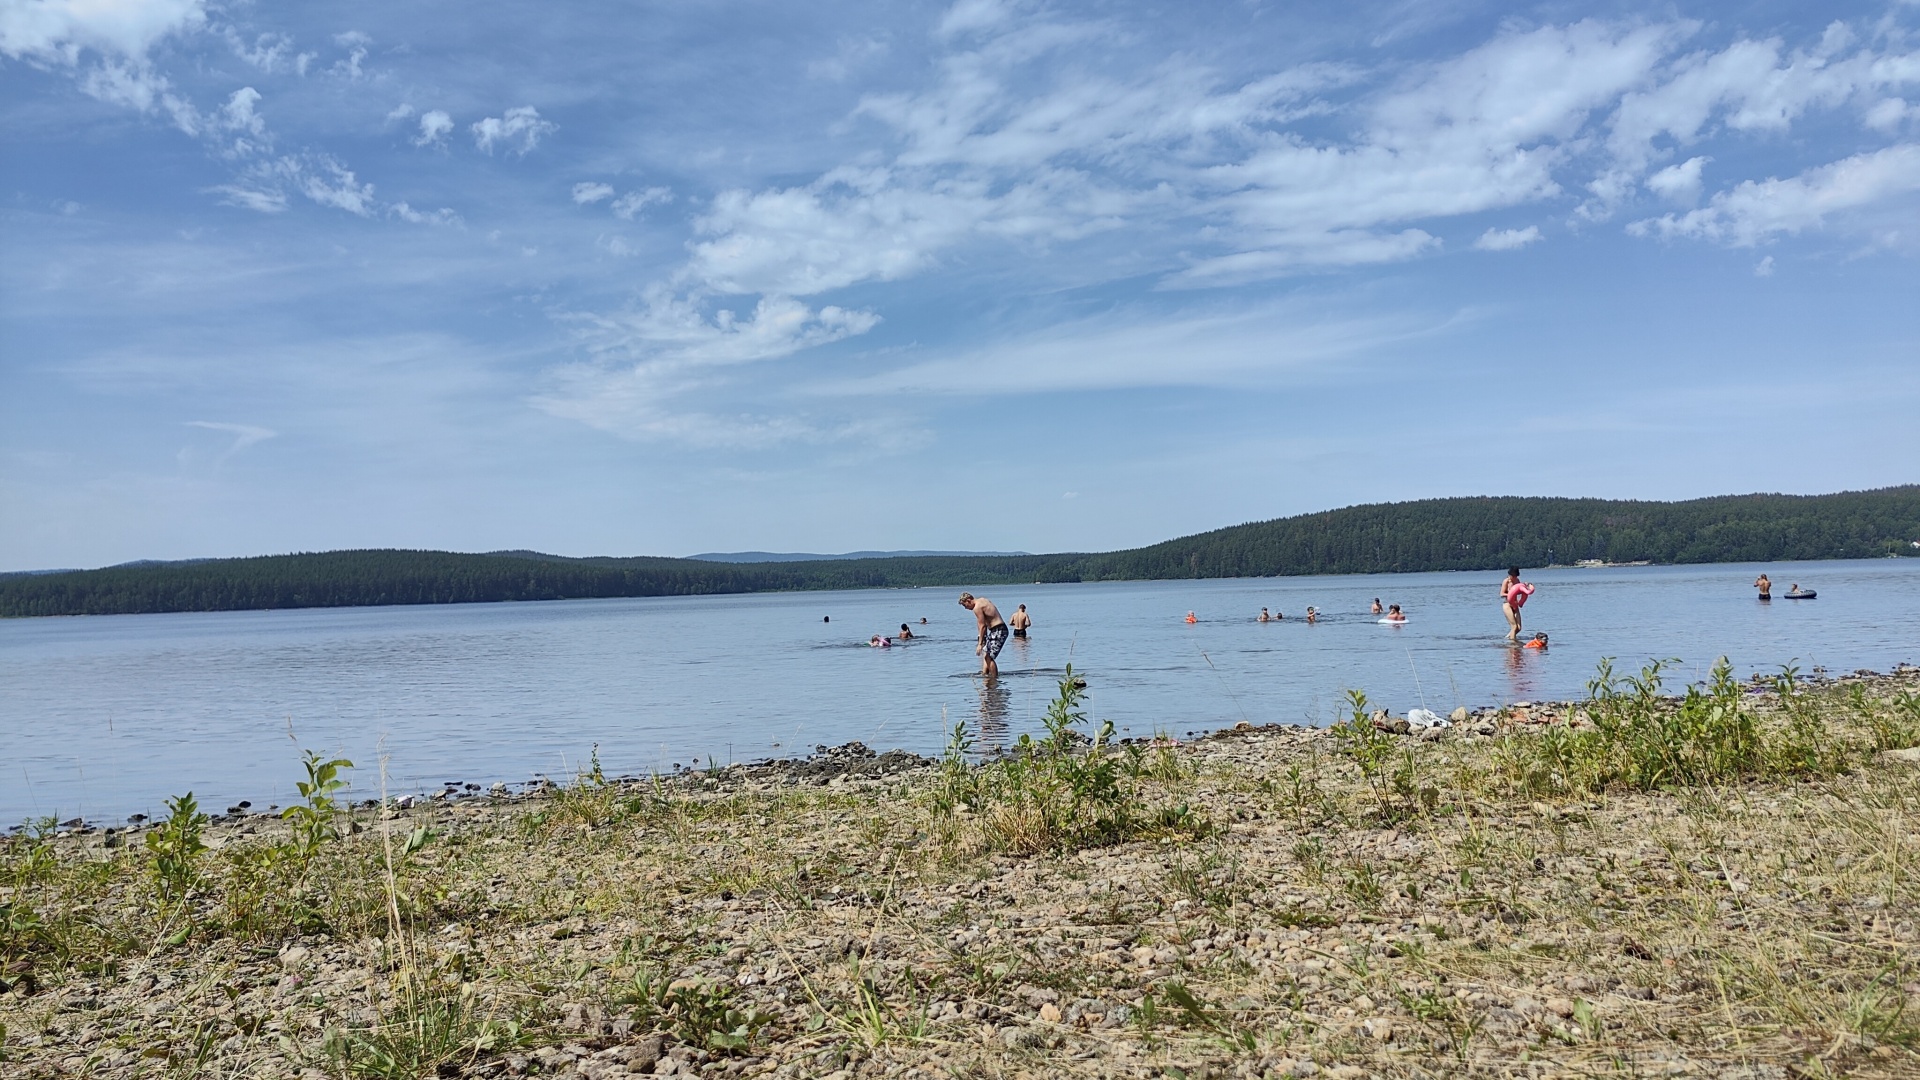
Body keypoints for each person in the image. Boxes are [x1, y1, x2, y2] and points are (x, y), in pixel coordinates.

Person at [958, 592, 1009, 678]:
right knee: (985, 655)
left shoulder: (977, 607)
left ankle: (994, 679)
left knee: (989, 657)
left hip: (999, 630)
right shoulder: (982, 600)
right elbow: (981, 624)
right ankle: (985, 676)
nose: (966, 608)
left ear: (968, 600)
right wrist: (981, 637)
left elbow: (982, 626)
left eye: (965, 605)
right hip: (995, 630)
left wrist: (980, 644)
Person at [1500, 567, 1530, 642]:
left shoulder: (1517, 581)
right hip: (1507, 604)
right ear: (1509, 575)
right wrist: (1510, 594)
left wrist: (1525, 586)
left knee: (1519, 628)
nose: (1514, 577)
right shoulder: (1506, 581)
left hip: (1515, 605)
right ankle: (1513, 643)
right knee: (1514, 626)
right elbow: (1501, 593)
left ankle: (1508, 637)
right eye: (1513, 575)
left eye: (1515, 576)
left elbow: (1519, 590)